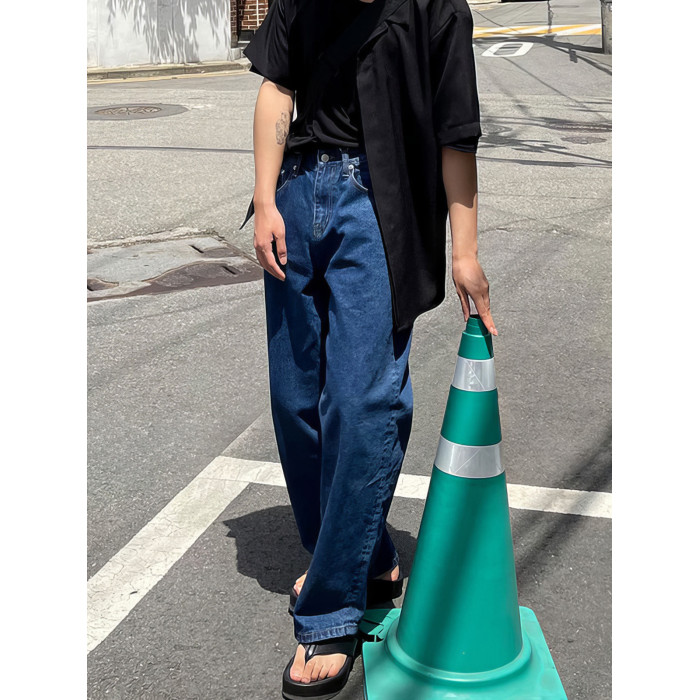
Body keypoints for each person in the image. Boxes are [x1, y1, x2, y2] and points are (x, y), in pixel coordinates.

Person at [240, 1, 497, 697]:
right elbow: (277, 87)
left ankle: (330, 612)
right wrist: (265, 199)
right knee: (295, 401)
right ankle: (368, 557)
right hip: (296, 193)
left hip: (376, 206)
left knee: (360, 403)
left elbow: (455, 132)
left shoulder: (436, 9)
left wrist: (465, 252)